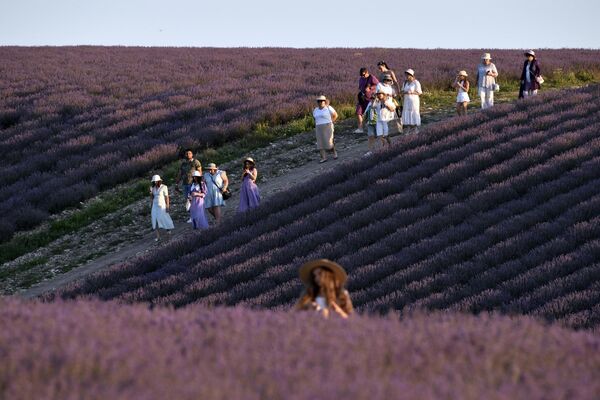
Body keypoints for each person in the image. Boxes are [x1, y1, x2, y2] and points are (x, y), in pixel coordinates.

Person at [176, 148, 202, 222]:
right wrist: (176, 183)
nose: (188, 155)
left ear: (192, 154)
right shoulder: (183, 164)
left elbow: (200, 172)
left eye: (189, 153)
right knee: (188, 200)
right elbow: (180, 174)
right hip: (185, 184)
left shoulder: (196, 162)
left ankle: (196, 215)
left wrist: (199, 182)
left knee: (193, 200)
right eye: (186, 153)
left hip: (193, 184)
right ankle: (192, 216)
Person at [313, 95, 339, 163]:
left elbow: (335, 115)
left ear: (324, 101)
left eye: (322, 101)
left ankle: (334, 153)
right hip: (318, 126)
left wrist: (331, 122)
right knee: (320, 142)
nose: (320, 102)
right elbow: (314, 118)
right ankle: (324, 157)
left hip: (327, 126)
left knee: (329, 141)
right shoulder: (315, 110)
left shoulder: (328, 108)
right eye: (319, 101)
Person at [354, 67, 379, 133]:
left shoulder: (372, 77)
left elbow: (378, 85)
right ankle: (360, 128)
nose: (363, 76)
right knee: (358, 112)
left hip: (370, 99)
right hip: (362, 98)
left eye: (364, 75)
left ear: (367, 72)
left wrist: (370, 87)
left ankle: (373, 128)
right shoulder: (361, 78)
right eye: (361, 75)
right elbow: (360, 87)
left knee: (370, 114)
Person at [150, 174, 174, 241]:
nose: (155, 182)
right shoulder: (153, 188)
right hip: (155, 206)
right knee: (154, 219)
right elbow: (152, 198)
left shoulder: (164, 187)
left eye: (156, 181)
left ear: (159, 181)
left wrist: (167, 206)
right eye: (154, 181)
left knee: (164, 218)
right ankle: (158, 236)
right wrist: (150, 193)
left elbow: (167, 197)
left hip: (162, 205)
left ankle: (168, 232)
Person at [401, 69, 422, 134]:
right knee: (407, 113)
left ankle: (415, 128)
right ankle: (408, 128)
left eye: (408, 75)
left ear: (411, 75)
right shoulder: (405, 83)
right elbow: (402, 91)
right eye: (406, 75)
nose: (406, 76)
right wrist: (404, 92)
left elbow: (420, 92)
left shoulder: (416, 82)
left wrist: (411, 92)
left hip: (414, 101)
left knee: (414, 113)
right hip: (406, 101)